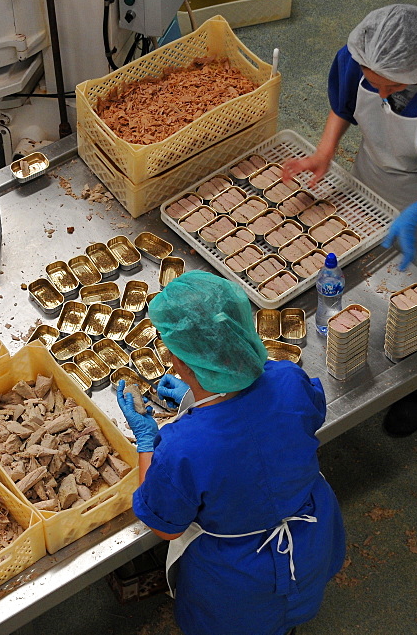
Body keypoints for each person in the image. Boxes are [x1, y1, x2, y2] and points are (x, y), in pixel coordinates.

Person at [283, 4, 417, 436]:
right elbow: (344, 104)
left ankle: (414, 388)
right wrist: (325, 152)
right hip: (369, 178)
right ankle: (353, 355)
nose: (379, 94)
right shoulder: (358, 58)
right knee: (358, 279)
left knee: (416, 300)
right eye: (371, 82)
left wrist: (416, 213)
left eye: (391, 86)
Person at [117, 271, 345, 635]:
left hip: (239, 578)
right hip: (311, 539)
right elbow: (296, 418)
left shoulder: (183, 448)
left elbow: (163, 526)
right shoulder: (289, 379)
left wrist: (146, 441)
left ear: (179, 363)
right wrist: (197, 396)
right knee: (288, 615)